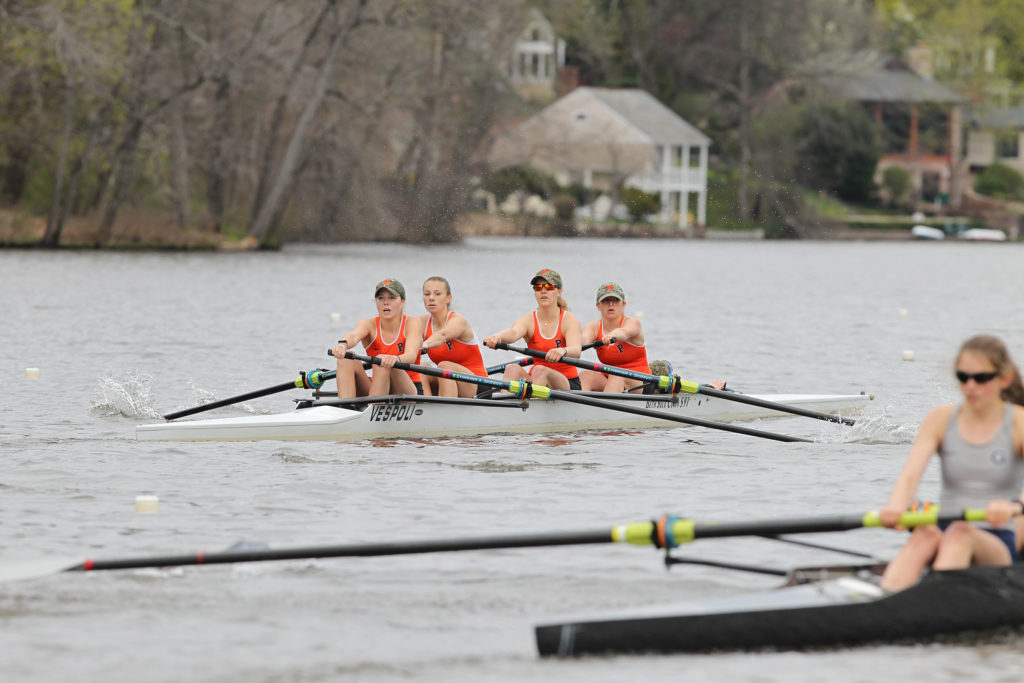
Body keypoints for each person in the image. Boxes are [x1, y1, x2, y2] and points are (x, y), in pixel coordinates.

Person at [879, 334, 1024, 592]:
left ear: (1004, 379)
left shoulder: (1018, 423)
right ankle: (882, 603)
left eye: (981, 378)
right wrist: (896, 507)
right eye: (962, 377)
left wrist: (1014, 505)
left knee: (959, 532)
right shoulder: (939, 419)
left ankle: (932, 606)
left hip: (999, 541)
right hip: (947, 526)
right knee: (925, 533)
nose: (970, 386)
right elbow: (910, 477)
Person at [580, 281, 726, 393]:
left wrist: (612, 336)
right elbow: (582, 341)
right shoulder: (592, 327)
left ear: (623, 304)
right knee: (586, 375)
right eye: (606, 301)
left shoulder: (633, 323)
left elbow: (624, 333)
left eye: (615, 300)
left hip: (641, 382)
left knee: (617, 375)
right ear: (598, 305)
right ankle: (579, 410)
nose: (611, 304)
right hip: (610, 379)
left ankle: (602, 414)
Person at [483, 268, 583, 391]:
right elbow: (514, 333)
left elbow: (576, 350)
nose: (543, 291)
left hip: (567, 383)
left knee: (540, 370)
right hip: (537, 379)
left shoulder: (569, 320)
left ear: (559, 291)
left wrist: (563, 350)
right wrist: (498, 337)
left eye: (549, 287)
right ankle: (506, 405)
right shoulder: (528, 320)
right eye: (538, 287)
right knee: (511, 368)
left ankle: (532, 406)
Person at [331, 278, 424, 398]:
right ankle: (346, 409)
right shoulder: (368, 324)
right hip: (378, 386)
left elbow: (411, 355)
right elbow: (353, 336)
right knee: (346, 358)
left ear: (403, 302)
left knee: (382, 361)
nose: (386, 302)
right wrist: (342, 344)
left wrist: (394, 358)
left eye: (392, 297)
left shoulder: (412, 323)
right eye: (381, 298)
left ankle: (372, 407)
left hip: (408, 390)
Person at [418, 276, 488, 397]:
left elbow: (442, 335)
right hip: (448, 380)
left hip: (478, 384)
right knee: (421, 367)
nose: (431, 298)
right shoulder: (422, 322)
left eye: (437, 294)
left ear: (448, 299)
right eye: (427, 294)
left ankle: (445, 410)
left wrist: (424, 345)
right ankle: (424, 407)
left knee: (444, 366)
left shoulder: (458, 321)